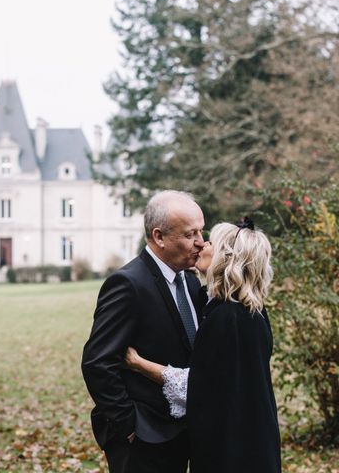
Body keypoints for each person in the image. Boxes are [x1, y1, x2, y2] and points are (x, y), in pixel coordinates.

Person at [125, 220, 281, 473]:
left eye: (210, 242)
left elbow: (198, 388)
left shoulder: (226, 317)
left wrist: (138, 364)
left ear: (225, 257)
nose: (201, 244)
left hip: (232, 448)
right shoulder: (248, 310)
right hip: (251, 437)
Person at [81, 190, 207, 473]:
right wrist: (128, 424)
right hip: (143, 439)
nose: (201, 242)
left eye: (201, 231)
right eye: (190, 234)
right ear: (159, 236)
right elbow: (97, 362)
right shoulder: (127, 284)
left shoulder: (191, 280)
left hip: (186, 433)